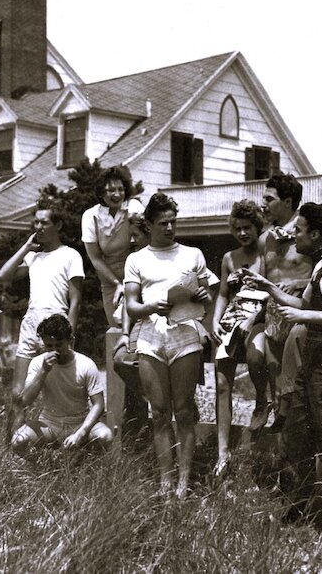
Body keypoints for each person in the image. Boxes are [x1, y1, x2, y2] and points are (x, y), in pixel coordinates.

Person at [245, 203, 322, 544]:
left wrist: (303, 320)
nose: (293, 235)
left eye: (298, 230)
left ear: (315, 234)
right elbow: (305, 306)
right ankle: (301, 510)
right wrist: (267, 286)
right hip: (313, 359)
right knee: (295, 435)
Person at [124, 192, 216, 498]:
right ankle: (165, 479)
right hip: (151, 336)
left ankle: (184, 481)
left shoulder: (192, 254)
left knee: (184, 410)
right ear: (149, 225)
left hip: (186, 335)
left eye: (173, 222)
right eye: (163, 223)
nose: (170, 228)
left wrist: (205, 297)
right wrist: (154, 306)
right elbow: (132, 307)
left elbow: (206, 299)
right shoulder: (136, 259)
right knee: (160, 412)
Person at [0, 202, 84, 436]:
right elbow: (3, 276)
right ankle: (11, 449)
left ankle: (66, 444)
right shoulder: (33, 258)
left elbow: (75, 300)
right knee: (18, 393)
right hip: (31, 323)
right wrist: (26, 248)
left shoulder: (70, 255)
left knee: (62, 390)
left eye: (44, 222)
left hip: (57, 324)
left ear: (57, 225)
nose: (39, 227)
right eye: (35, 222)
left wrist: (69, 335)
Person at [249, 173, 313, 432]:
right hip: (272, 313)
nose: (263, 204)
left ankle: (289, 421)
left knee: (291, 374)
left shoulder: (306, 233)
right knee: (261, 359)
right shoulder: (266, 238)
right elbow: (264, 279)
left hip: (298, 310)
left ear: (287, 202)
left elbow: (320, 275)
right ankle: (266, 405)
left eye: (269, 199)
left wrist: (298, 285)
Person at [210, 200, 265, 479]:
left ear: (258, 227)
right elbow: (222, 294)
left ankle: (262, 402)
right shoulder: (229, 258)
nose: (243, 234)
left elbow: (271, 292)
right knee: (222, 383)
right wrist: (215, 320)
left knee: (258, 360)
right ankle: (222, 452)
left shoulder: (266, 254)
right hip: (233, 317)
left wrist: (254, 319)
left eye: (248, 228)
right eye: (238, 228)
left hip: (260, 317)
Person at [10, 314, 113, 458]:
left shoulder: (85, 364)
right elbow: (25, 400)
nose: (54, 351)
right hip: (50, 423)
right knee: (18, 441)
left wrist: (80, 433)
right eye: (49, 346)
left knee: (105, 436)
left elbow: (99, 405)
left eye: (59, 345)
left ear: (71, 341)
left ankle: (83, 462)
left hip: (79, 421)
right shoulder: (38, 363)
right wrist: (43, 371)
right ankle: (44, 465)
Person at [81, 165, 144, 328]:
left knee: (142, 328)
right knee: (117, 328)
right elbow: (95, 257)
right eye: (110, 190)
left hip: (139, 278)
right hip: (110, 282)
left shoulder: (134, 207)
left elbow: (145, 243)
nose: (117, 194)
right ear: (102, 192)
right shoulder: (91, 216)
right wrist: (117, 284)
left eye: (120, 189)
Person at [112, 214, 152, 448]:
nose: (132, 241)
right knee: (121, 360)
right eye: (130, 237)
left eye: (136, 236)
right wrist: (125, 334)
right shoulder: (134, 261)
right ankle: (145, 404)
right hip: (140, 323)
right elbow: (130, 302)